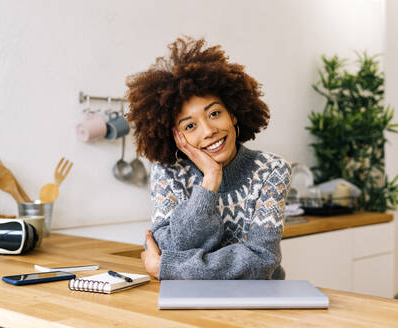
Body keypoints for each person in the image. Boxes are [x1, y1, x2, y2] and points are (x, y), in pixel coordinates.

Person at [125, 36, 291, 280]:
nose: (208, 130)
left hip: (258, 300)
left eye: (214, 113)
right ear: (176, 136)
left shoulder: (271, 169)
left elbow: (261, 261)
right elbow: (171, 248)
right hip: (187, 300)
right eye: (190, 126)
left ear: (233, 114)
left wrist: (168, 267)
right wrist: (210, 181)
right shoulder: (168, 172)